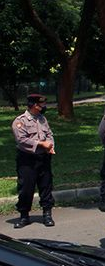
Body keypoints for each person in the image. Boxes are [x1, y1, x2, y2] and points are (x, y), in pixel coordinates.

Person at [12, 94, 56, 229]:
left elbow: (49, 134)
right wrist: (42, 144)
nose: (43, 107)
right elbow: (22, 140)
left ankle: (47, 214)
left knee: (46, 185)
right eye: (41, 105)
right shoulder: (20, 121)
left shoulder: (42, 119)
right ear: (33, 105)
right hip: (27, 159)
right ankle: (24, 216)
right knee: (26, 187)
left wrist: (51, 145)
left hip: (43, 158)